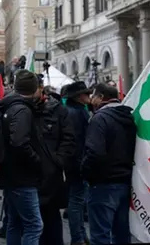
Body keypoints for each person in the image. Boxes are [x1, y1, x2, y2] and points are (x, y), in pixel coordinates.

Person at [82, 83, 136, 245]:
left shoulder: (100, 119)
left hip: (103, 182)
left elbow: (94, 151)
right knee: (121, 233)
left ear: (101, 97)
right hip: (124, 181)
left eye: (94, 96)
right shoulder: (128, 117)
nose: (92, 100)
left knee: (100, 234)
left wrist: (85, 172)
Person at [0, 70, 43, 245]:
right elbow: (19, 142)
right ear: (34, 89)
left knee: (14, 222)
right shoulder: (22, 110)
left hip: (10, 173)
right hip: (22, 176)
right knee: (34, 225)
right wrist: (37, 160)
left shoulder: (8, 105)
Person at [34, 81, 75, 245]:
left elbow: (69, 139)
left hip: (51, 174)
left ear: (40, 89)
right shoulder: (22, 108)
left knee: (51, 217)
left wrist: (58, 160)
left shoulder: (57, 109)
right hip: (29, 174)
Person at [63, 81, 92, 245]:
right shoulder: (77, 113)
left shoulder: (74, 111)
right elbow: (77, 141)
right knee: (76, 201)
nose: (89, 96)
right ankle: (78, 237)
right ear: (79, 96)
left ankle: (80, 234)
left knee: (77, 200)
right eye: (86, 94)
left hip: (75, 161)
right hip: (77, 162)